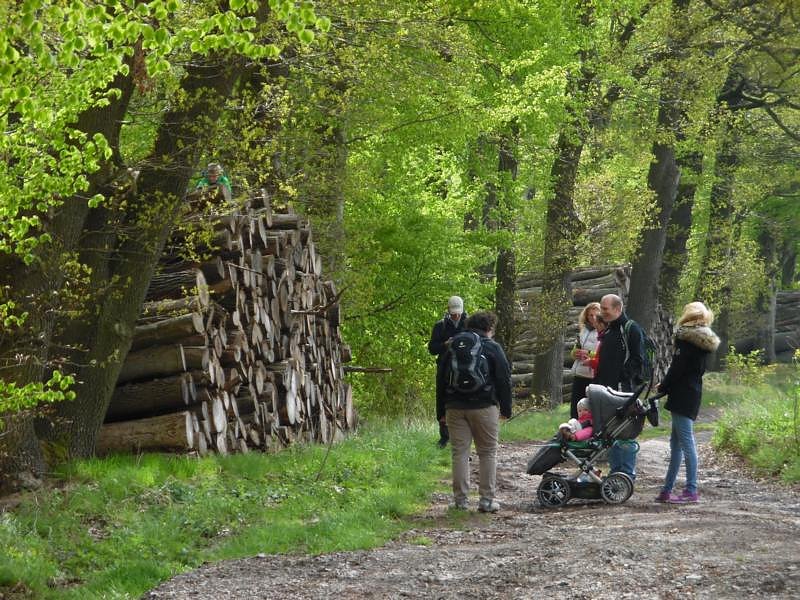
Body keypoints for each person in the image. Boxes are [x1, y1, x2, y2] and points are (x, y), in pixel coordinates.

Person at [443, 311, 512, 513]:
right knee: (488, 452)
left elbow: (441, 378)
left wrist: (441, 410)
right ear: (489, 328)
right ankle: (486, 501)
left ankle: (460, 501)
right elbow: (503, 379)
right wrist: (506, 408)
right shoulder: (492, 346)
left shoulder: (453, 346)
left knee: (460, 453)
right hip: (484, 406)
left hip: (454, 407)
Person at [655, 302, 720, 504]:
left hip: (682, 395)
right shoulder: (702, 342)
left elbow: (677, 368)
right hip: (691, 393)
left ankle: (691, 490)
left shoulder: (687, 341)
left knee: (686, 443)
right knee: (676, 444)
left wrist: (663, 386)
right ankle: (667, 489)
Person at [593, 294, 646, 479]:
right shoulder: (610, 330)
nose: (602, 312)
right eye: (601, 308)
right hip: (606, 389)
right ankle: (616, 472)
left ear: (617, 309)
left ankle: (626, 474)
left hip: (622, 390)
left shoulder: (631, 329)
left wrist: (621, 378)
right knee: (613, 431)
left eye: (605, 309)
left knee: (625, 432)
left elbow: (638, 359)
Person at [428, 296, 468, 447]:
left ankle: (463, 435)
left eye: (458, 312)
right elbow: (432, 348)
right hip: (445, 367)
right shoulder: (440, 326)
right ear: (448, 310)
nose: (456, 316)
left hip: (465, 367)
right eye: (453, 313)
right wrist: (445, 344)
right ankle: (444, 436)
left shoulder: (469, 325)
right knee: (442, 398)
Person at [569, 302, 601, 419]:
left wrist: (588, 353)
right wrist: (575, 353)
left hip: (592, 375)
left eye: (595, 315)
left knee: (589, 407)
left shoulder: (602, 332)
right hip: (579, 373)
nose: (592, 318)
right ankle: (573, 428)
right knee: (575, 406)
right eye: (590, 315)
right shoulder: (583, 331)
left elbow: (601, 354)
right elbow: (574, 350)